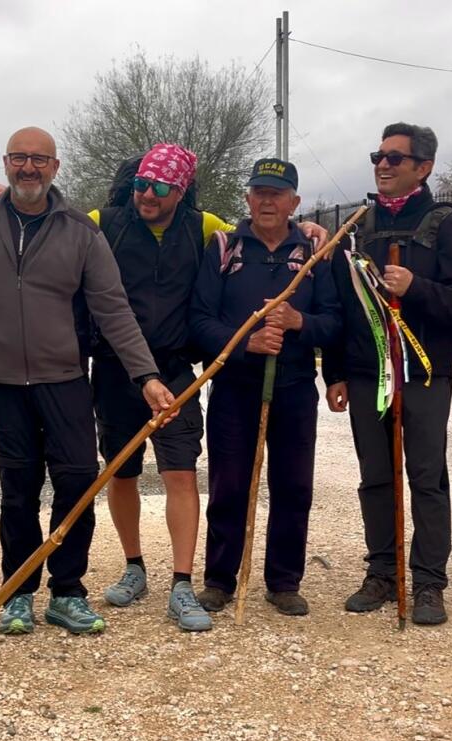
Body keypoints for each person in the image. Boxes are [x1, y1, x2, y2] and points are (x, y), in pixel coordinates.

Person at [85, 144, 328, 632]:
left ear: (180, 191)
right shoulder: (101, 220)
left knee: (180, 472)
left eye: (159, 187)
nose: (146, 195)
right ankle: (135, 567)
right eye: (140, 184)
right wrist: (2, 197)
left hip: (176, 371)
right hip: (116, 370)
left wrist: (310, 230)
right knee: (122, 471)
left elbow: (261, 231)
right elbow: (50, 222)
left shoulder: (205, 227)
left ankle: (181, 582)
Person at [0, 127, 172, 636]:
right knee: (17, 487)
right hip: (1, 381)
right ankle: (18, 592)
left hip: (65, 377)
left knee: (78, 480)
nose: (29, 168)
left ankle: (67, 592)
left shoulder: (80, 231)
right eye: (20, 158)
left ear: (55, 167)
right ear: (5, 163)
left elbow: (113, 310)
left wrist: (146, 376)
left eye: (39, 160)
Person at [322, 123, 452, 625]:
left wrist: (415, 287)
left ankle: (429, 582)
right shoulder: (359, 226)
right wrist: (337, 374)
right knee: (375, 476)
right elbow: (342, 306)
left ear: (423, 167)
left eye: (394, 158)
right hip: (369, 375)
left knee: (427, 477)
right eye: (378, 156)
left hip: (425, 374)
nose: (382, 165)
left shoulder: (445, 224)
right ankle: (383, 573)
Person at [189, 158, 342, 617]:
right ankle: (219, 579)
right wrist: (246, 343)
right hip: (235, 389)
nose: (267, 201)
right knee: (228, 485)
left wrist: (299, 322)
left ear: (295, 202)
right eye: (259, 192)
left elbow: (336, 323)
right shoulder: (223, 248)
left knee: (293, 486)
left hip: (294, 388)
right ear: (248, 198)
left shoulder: (316, 254)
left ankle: (283, 580)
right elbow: (199, 321)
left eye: (277, 193)